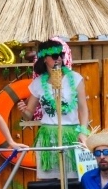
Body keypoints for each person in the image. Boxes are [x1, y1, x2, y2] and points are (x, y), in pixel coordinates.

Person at [17, 39, 90, 180]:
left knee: (73, 179)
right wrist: (23, 110)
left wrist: (83, 132)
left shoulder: (75, 79)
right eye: (54, 56)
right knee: (48, 181)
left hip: (71, 134)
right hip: (48, 136)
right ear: (45, 59)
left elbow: (83, 109)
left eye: (61, 55)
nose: (59, 59)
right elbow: (28, 115)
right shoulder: (38, 84)